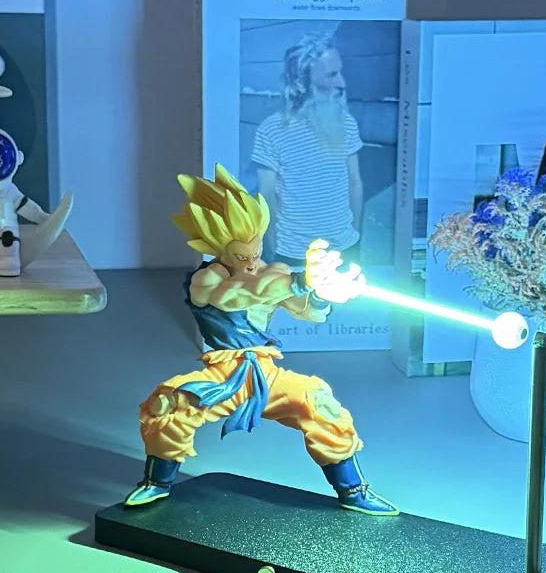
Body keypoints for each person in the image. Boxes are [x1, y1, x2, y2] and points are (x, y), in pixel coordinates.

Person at [124, 164, 397, 516]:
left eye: (256, 251)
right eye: (242, 256)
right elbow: (239, 294)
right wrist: (300, 281)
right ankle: (156, 482)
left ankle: (354, 491)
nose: (252, 262)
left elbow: (306, 311)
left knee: (320, 403)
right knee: (167, 406)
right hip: (222, 374)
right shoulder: (205, 281)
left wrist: (321, 293)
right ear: (220, 250)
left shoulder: (274, 272)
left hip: (266, 374)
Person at [251, 33, 364, 270]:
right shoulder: (271, 130)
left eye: (340, 73)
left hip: (344, 250)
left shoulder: (346, 123)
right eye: (332, 75)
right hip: (292, 256)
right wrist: (273, 249)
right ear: (301, 83)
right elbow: (266, 196)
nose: (342, 84)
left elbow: (354, 182)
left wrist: (353, 233)